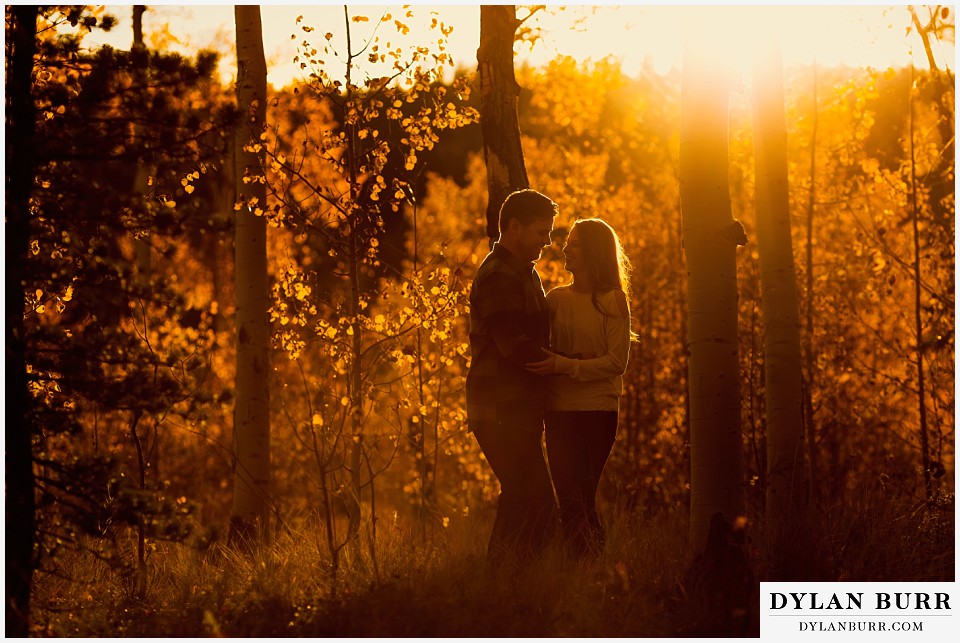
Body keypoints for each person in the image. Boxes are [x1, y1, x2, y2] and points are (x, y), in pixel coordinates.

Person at [526, 218, 633, 559]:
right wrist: (579, 362)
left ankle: (589, 567)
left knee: (580, 495)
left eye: (574, 243)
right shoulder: (555, 300)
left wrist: (566, 365)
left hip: (598, 410)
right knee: (570, 498)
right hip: (559, 409)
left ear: (594, 252)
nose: (566, 248)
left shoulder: (613, 300)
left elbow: (616, 362)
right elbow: (545, 350)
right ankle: (584, 570)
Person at [466, 189, 559, 563]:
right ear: (514, 227)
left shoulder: (524, 272)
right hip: (499, 407)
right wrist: (568, 366)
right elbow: (514, 345)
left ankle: (506, 581)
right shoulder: (498, 276)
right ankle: (512, 578)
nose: (547, 241)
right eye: (542, 232)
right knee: (533, 499)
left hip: (515, 407)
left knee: (522, 497)